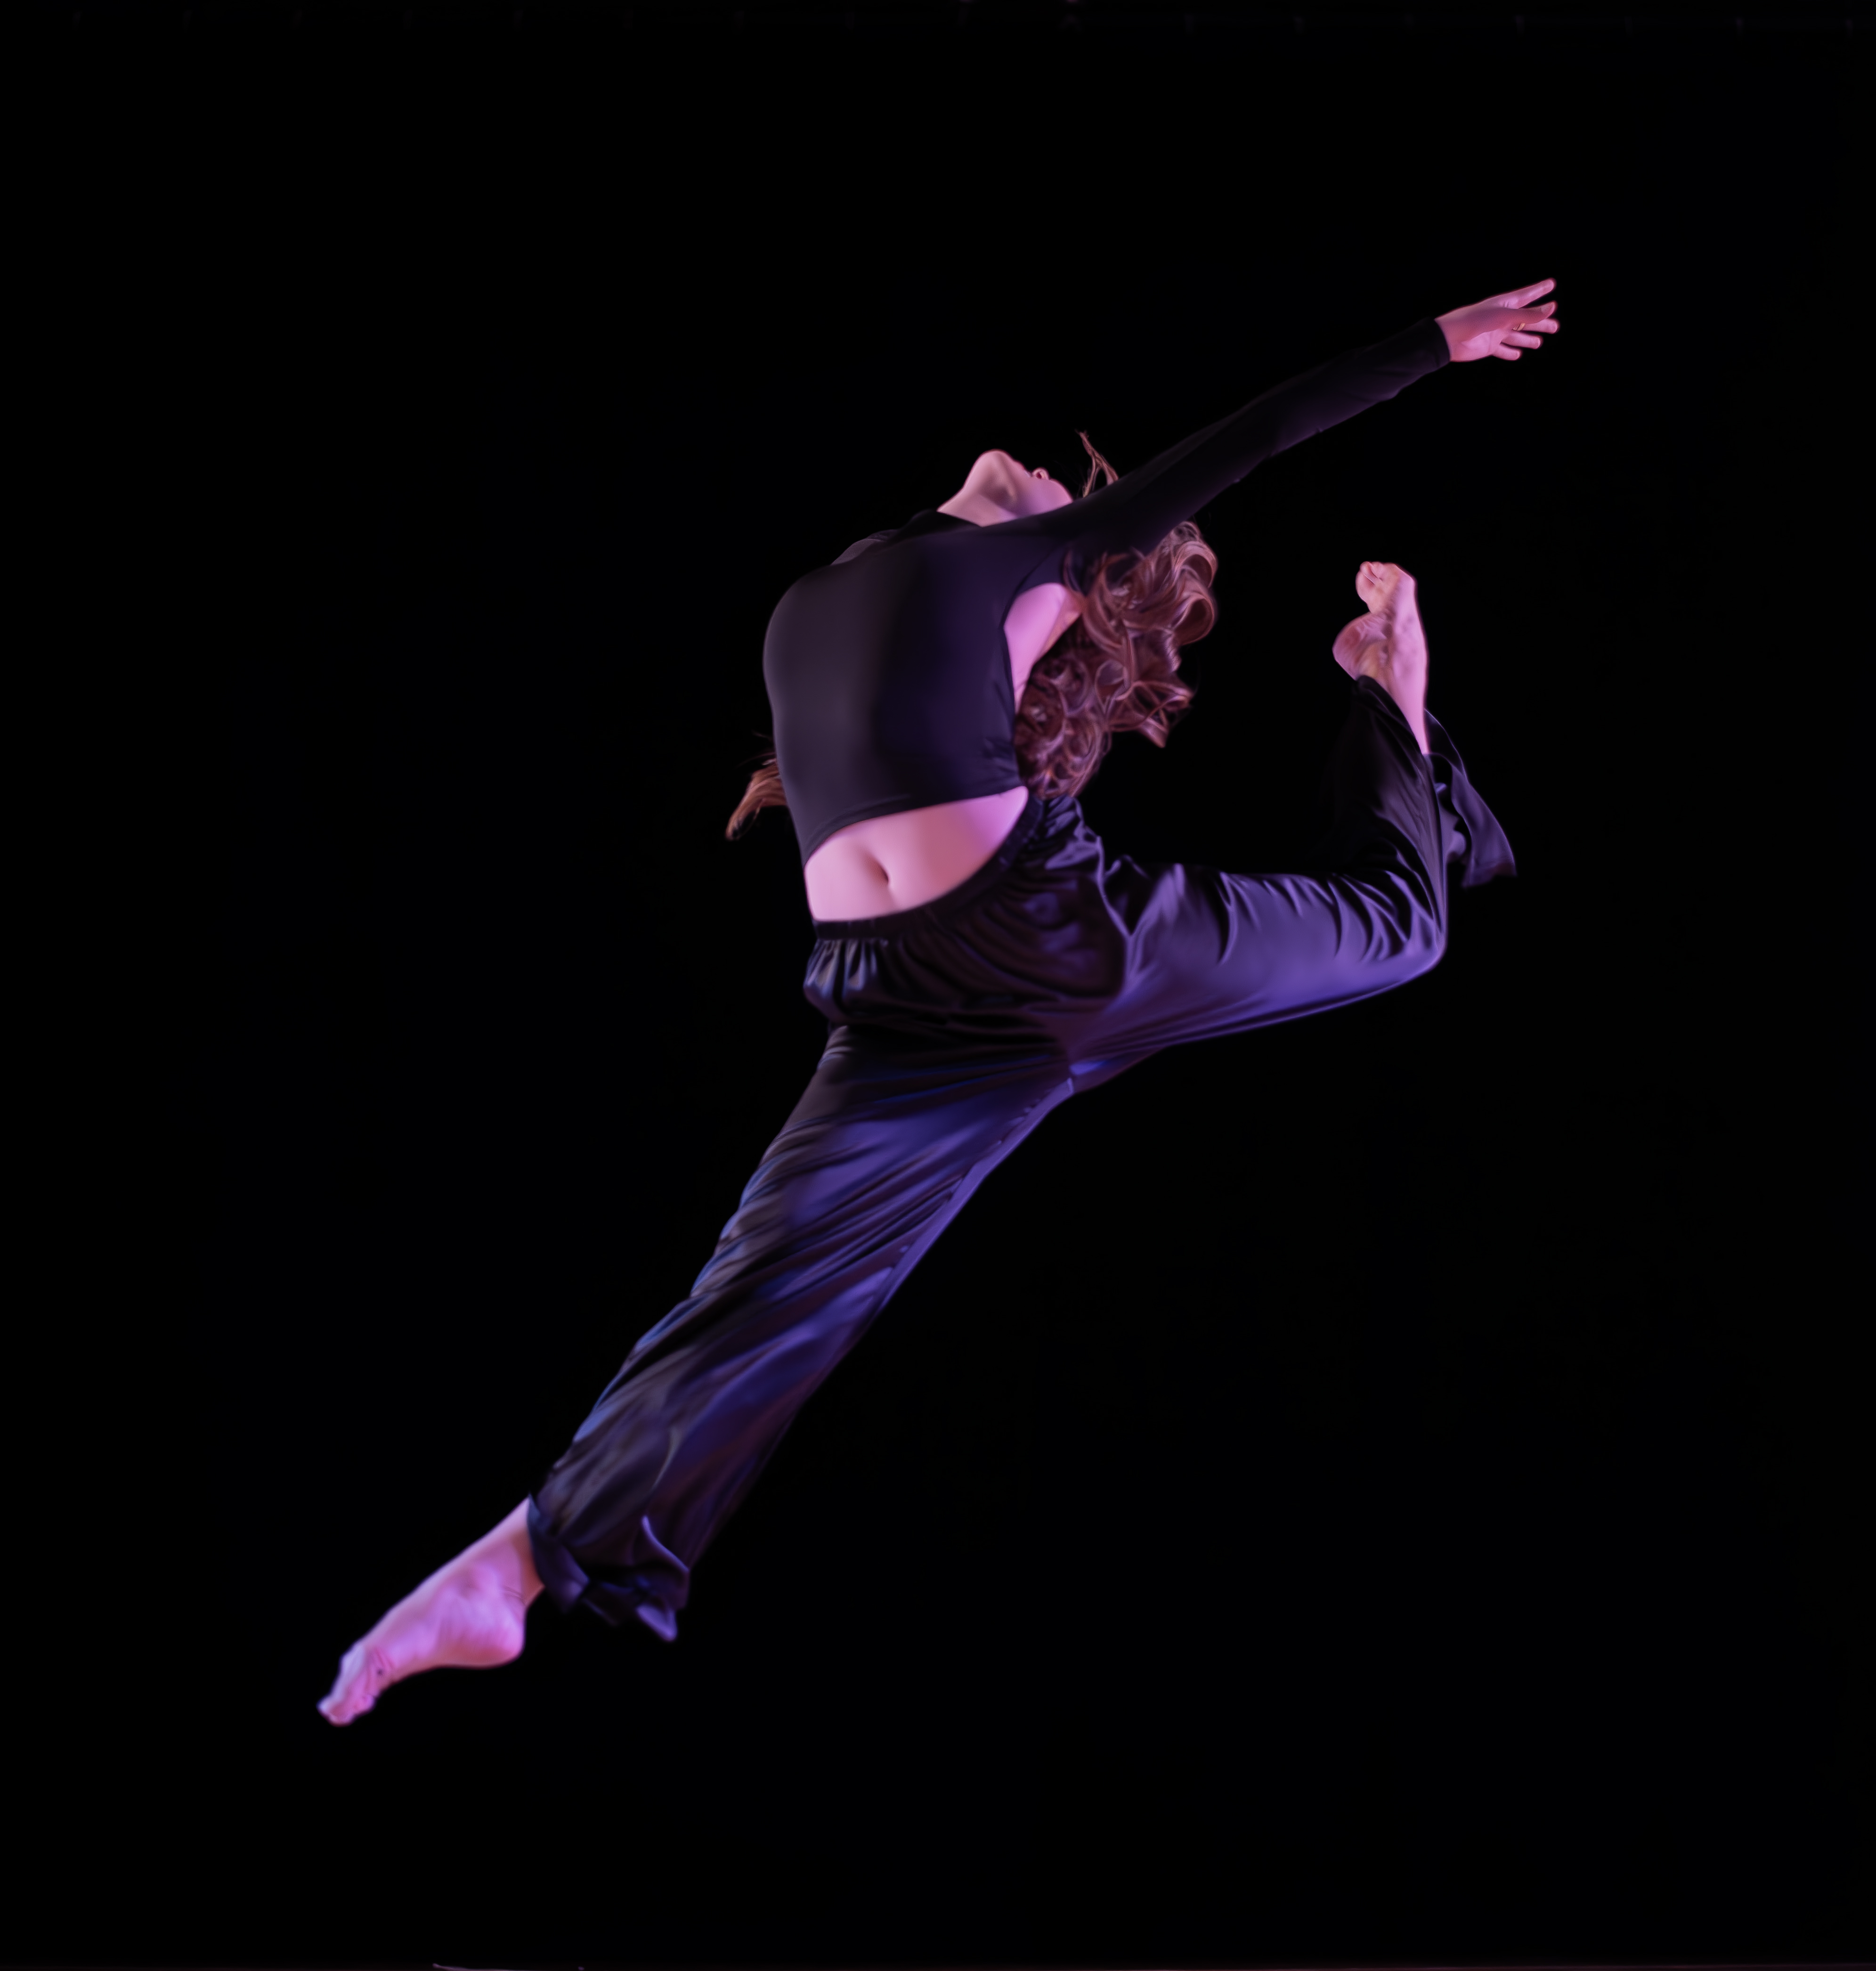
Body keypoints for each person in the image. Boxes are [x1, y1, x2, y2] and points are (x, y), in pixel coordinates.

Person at [319, 279, 1556, 1725]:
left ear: (1064, 597)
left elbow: (1260, 430)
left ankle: (1390, 701)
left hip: (1044, 943)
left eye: (1063, 486)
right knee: (769, 1284)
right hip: (904, 988)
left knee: (1402, 932)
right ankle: (523, 1562)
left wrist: (1433, 344)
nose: (1036, 462)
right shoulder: (857, 577)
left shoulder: (1043, 553)